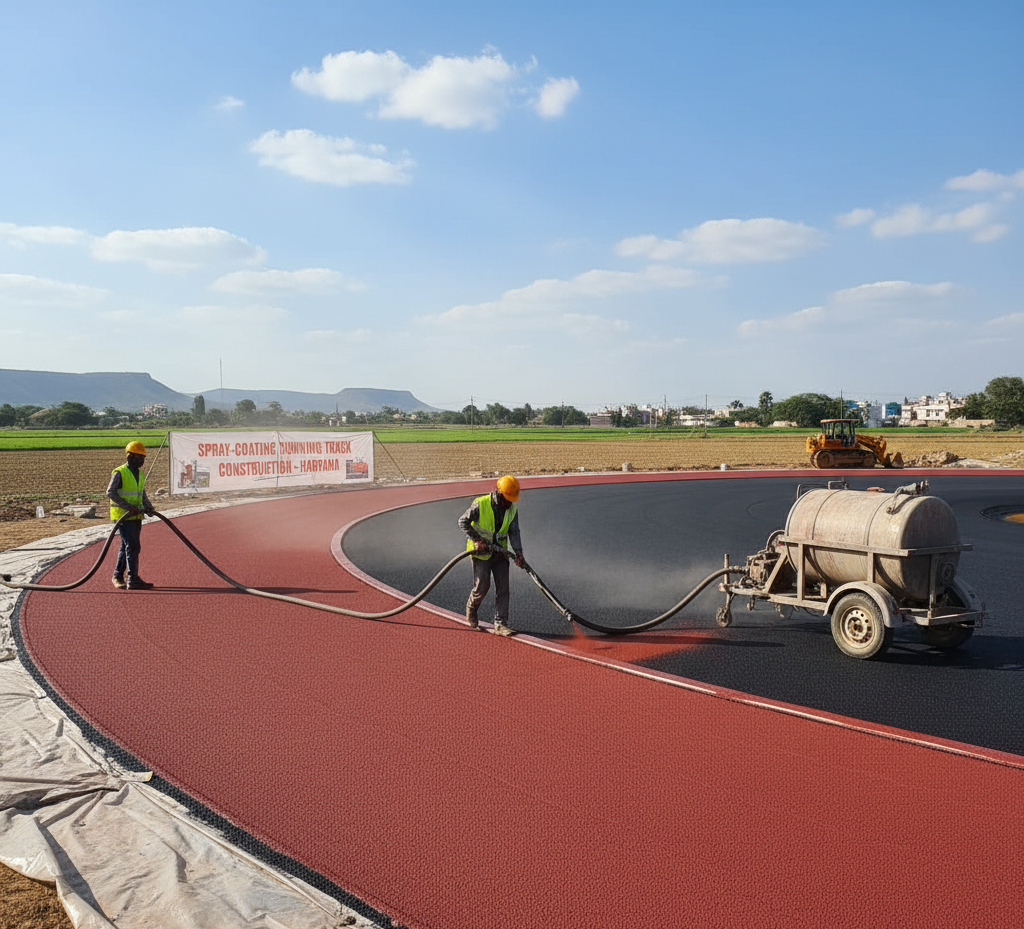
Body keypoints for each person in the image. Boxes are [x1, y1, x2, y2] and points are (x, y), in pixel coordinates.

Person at [459, 474, 525, 636]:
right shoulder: (481, 504)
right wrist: (477, 540)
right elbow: (463, 521)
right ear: (499, 493)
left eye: (511, 500)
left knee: (503, 588)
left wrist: (518, 552)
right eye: (507, 499)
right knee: (482, 587)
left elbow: (514, 532)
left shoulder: (512, 509)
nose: (509, 503)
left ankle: (500, 624)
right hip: (481, 553)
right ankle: (472, 608)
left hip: (500, 553)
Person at [107, 440, 157, 590]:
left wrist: (148, 507)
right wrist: (128, 507)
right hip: (123, 516)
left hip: (136, 516)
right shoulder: (120, 472)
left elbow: (142, 494)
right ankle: (132, 579)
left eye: (143, 457)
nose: (141, 460)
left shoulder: (139, 474)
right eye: (138, 457)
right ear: (130, 456)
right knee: (133, 546)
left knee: (127, 546)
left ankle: (117, 576)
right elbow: (111, 492)